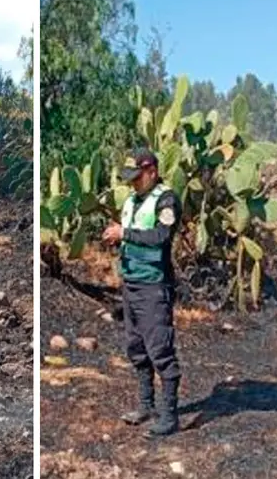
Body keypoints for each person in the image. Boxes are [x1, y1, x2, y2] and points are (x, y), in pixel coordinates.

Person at [102, 149, 183, 437]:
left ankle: (170, 416)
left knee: (160, 348)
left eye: (137, 178)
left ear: (152, 171)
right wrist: (117, 240)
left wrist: (125, 234)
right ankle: (147, 405)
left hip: (154, 286)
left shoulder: (166, 200)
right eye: (130, 179)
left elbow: (161, 237)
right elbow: (133, 235)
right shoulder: (132, 201)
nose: (133, 184)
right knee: (136, 347)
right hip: (131, 284)